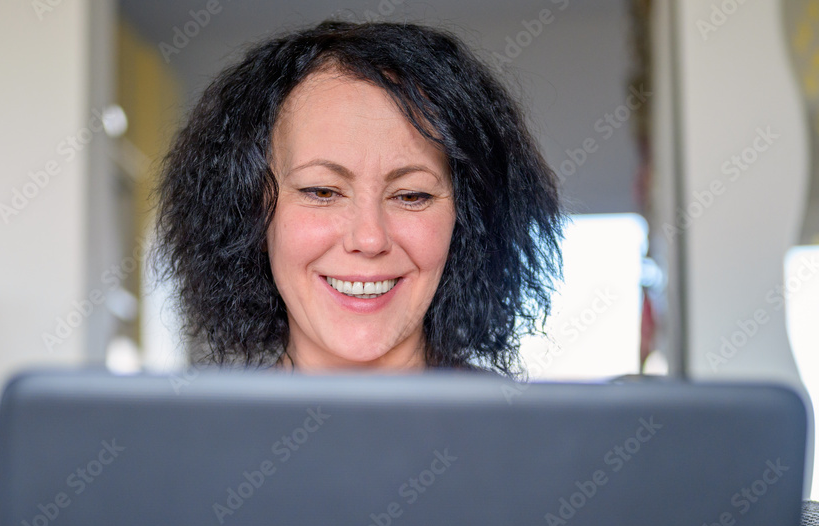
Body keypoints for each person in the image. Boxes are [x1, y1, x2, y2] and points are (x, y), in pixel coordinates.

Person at [151, 20, 564, 376]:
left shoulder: (536, 442)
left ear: (467, 217)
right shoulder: (198, 446)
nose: (369, 238)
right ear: (250, 209)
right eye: (322, 191)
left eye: (411, 195)